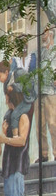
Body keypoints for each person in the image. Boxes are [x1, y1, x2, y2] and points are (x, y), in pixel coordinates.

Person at [0, 83, 38, 196]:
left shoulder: (23, 116)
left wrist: (4, 138)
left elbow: (21, 140)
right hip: (9, 161)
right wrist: (3, 133)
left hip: (17, 161)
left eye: (7, 94)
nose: (5, 97)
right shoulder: (9, 115)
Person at [41, 29, 56, 162]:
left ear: (51, 35)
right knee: (40, 126)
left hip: (51, 92)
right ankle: (43, 154)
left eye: (44, 33)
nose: (42, 36)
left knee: (53, 124)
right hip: (40, 92)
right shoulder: (41, 52)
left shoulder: (55, 51)